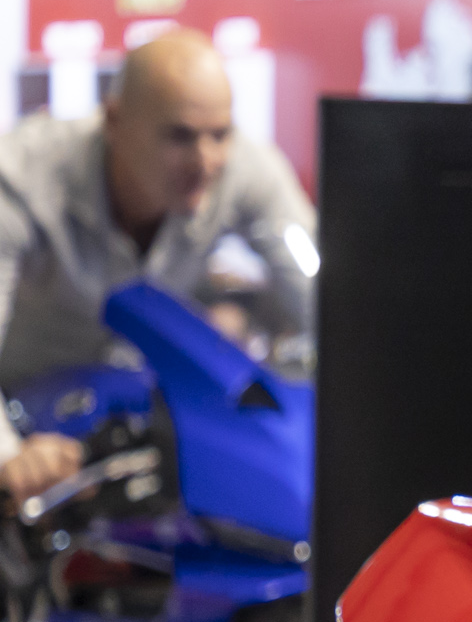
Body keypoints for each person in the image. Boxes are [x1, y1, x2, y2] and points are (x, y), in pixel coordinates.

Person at [0, 29, 317, 504]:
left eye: (220, 134)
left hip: (136, 419)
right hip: (21, 414)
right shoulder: (21, 177)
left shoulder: (248, 170)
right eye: (179, 136)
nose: (206, 160)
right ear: (114, 121)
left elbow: (322, 294)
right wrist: (8, 456)